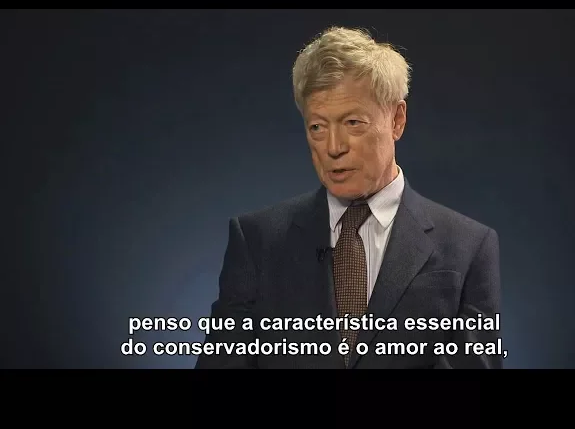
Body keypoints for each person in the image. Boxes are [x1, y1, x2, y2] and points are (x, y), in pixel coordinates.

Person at [195, 26, 501, 369]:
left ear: (397, 120)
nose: (334, 147)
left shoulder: (469, 247)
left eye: (353, 122)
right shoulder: (257, 241)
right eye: (317, 127)